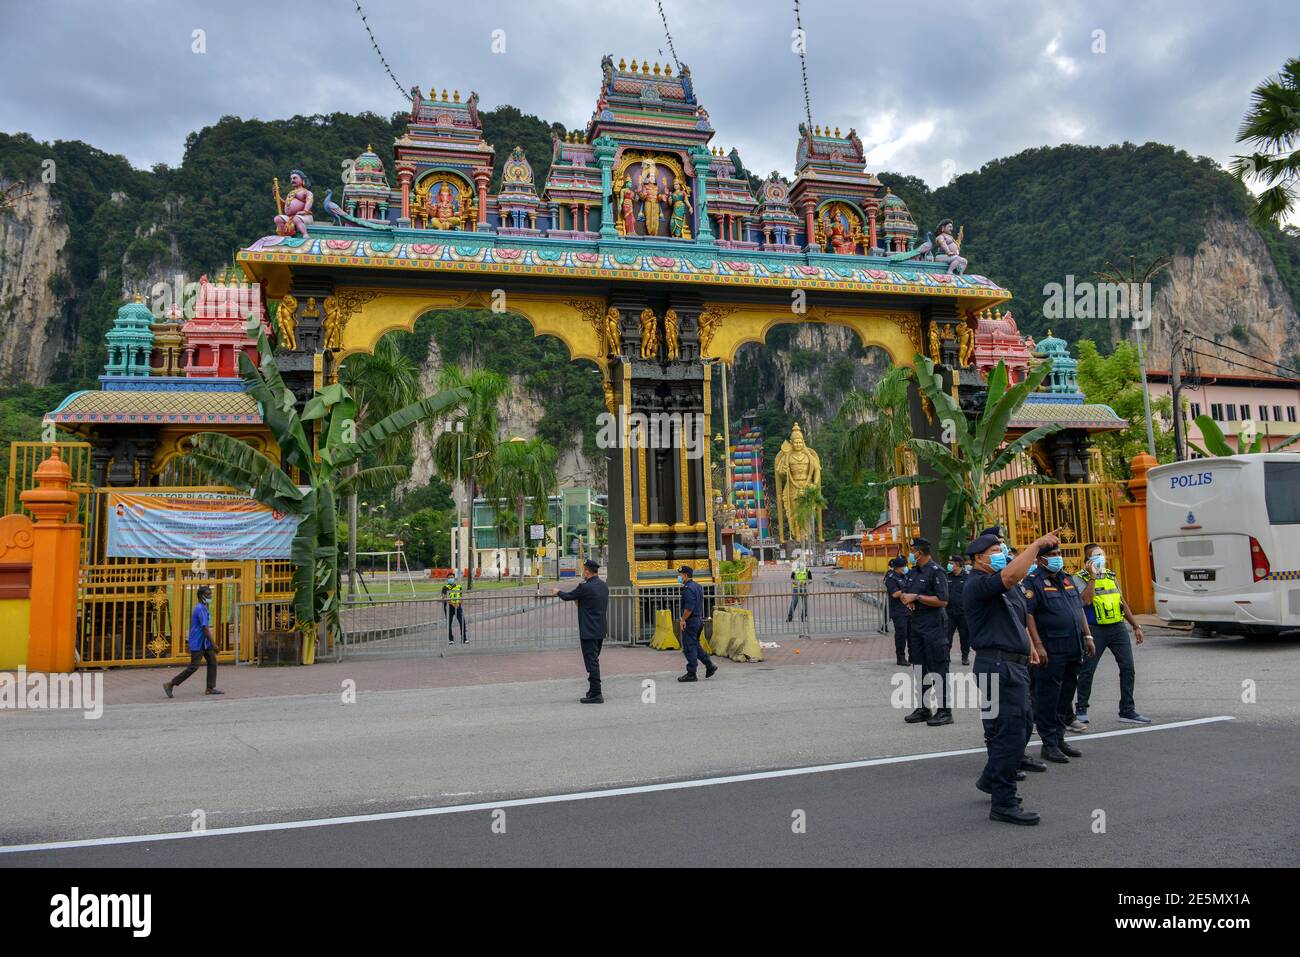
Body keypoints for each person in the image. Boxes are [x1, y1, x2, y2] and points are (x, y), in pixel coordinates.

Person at [964, 528, 1061, 825]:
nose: (1002, 555)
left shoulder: (1006, 587)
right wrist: (1035, 545)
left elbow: (1018, 618)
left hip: (1012, 665)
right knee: (1011, 733)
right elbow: (1008, 577)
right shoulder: (978, 583)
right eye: (996, 552)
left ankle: (991, 778)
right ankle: (1004, 802)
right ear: (979, 559)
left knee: (1016, 727)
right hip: (998, 666)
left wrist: (1030, 645)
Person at [1023, 543, 1095, 764]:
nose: (1057, 558)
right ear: (1040, 559)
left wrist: (1088, 636)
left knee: (1065, 695)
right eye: (1052, 555)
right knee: (1048, 697)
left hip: (1073, 646)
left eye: (1059, 554)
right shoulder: (1033, 582)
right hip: (1051, 648)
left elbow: (1078, 608)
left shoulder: (1067, 578)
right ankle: (1049, 744)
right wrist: (1037, 644)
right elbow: (1029, 614)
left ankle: (1060, 737)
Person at [1073, 543, 1150, 725]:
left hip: (1117, 628)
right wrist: (1092, 577)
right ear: (1088, 559)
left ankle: (1127, 710)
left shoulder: (1110, 575)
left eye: (1102, 554)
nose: (1101, 558)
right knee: (1087, 670)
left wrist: (1135, 626)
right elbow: (1085, 600)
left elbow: (1121, 601)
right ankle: (1081, 709)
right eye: (1096, 555)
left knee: (1128, 668)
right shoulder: (1079, 578)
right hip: (1095, 629)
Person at [901, 537, 951, 726]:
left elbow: (943, 600)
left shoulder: (936, 572)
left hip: (934, 625)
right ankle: (923, 708)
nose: (911, 554)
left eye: (912, 551)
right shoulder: (913, 572)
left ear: (919, 552)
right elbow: (906, 593)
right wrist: (909, 599)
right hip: (916, 625)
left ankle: (945, 711)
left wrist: (918, 597)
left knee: (938, 667)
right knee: (919, 667)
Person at [555, 559, 610, 704]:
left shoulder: (585, 588)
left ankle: (597, 694)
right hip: (600, 630)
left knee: (592, 662)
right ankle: (592, 690)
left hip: (588, 631)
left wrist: (557, 592)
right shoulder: (604, 586)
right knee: (594, 659)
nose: (583, 573)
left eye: (584, 570)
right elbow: (589, 604)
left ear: (587, 571)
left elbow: (568, 596)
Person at [164, 585, 223, 698]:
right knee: (194, 667)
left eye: (210, 593)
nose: (210, 596)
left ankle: (210, 688)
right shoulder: (200, 609)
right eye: (207, 594)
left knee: (212, 661)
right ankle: (170, 684)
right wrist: (214, 644)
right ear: (201, 596)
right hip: (198, 642)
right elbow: (205, 628)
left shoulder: (204, 607)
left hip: (204, 642)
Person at [676, 565, 717, 682]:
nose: (679, 577)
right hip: (698, 620)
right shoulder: (698, 586)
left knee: (689, 647)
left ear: (685, 575)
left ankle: (691, 673)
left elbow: (689, 608)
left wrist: (683, 619)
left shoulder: (688, 588)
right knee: (695, 645)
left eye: (680, 575)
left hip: (691, 621)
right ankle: (709, 665)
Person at [884, 556, 912, 667]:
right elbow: (895, 594)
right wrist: (907, 590)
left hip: (908, 610)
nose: (905, 568)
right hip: (898, 611)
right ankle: (900, 658)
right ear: (897, 567)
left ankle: (913, 656)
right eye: (903, 566)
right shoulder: (891, 578)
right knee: (901, 635)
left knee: (912, 635)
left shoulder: (905, 576)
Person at [946, 554, 972, 665]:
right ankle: (945, 655)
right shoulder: (947, 577)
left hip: (963, 613)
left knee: (965, 636)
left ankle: (965, 656)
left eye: (952, 564)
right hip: (949, 612)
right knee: (947, 636)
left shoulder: (967, 577)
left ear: (959, 565)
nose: (949, 565)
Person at [441, 573, 467, 644]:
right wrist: (452, 604)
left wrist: (459, 603)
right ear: (447, 579)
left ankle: (464, 638)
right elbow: (444, 597)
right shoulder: (445, 587)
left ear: (454, 578)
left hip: (458, 607)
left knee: (462, 622)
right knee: (449, 623)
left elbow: (461, 596)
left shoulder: (459, 586)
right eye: (449, 578)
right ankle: (451, 639)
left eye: (452, 577)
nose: (450, 579)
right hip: (449, 607)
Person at [787, 557, 811, 623]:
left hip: (804, 588)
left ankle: (803, 617)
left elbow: (810, 580)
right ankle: (789, 617)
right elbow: (792, 579)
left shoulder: (807, 570)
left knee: (805, 604)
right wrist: (797, 583)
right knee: (794, 603)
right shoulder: (795, 571)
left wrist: (805, 583)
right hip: (796, 589)